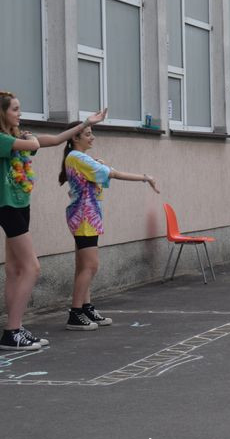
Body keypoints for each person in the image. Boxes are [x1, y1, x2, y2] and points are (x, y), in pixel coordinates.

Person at [0, 93, 107, 351]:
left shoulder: (16, 138)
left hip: (20, 204)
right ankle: (12, 331)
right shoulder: (4, 139)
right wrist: (30, 139)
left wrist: (84, 124)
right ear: (2, 113)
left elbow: (52, 140)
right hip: (8, 207)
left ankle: (14, 328)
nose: (20, 113)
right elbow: (41, 143)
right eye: (15, 109)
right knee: (31, 268)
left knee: (15, 270)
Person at [59, 123, 159, 330]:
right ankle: (75, 313)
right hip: (84, 217)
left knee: (83, 265)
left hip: (86, 215)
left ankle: (85, 307)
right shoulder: (77, 157)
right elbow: (112, 173)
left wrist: (100, 165)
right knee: (91, 265)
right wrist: (145, 177)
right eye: (87, 134)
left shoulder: (79, 158)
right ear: (75, 138)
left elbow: (99, 175)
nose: (92, 137)